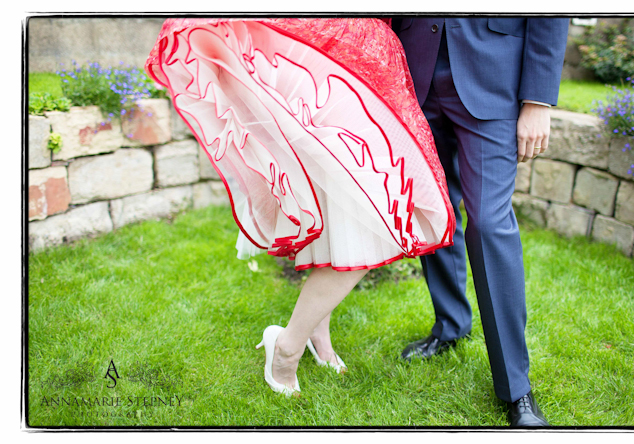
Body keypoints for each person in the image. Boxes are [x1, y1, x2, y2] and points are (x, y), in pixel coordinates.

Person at [145, 18, 456, 397]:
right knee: (366, 218)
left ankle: (315, 337)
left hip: (369, 58)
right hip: (327, 49)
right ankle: (287, 346)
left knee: (347, 208)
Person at [392, 17, 569, 426]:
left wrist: (538, 100)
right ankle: (450, 324)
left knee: (489, 224)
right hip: (414, 75)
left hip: (493, 77)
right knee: (433, 210)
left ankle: (516, 389)